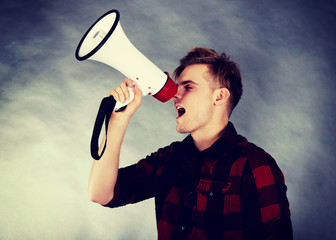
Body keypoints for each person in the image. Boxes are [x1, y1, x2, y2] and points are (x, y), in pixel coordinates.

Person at [88, 47, 293, 239]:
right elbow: (101, 193)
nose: (176, 95)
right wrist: (118, 121)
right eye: (178, 87)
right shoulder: (169, 159)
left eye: (188, 87)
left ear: (219, 96)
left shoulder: (256, 166)